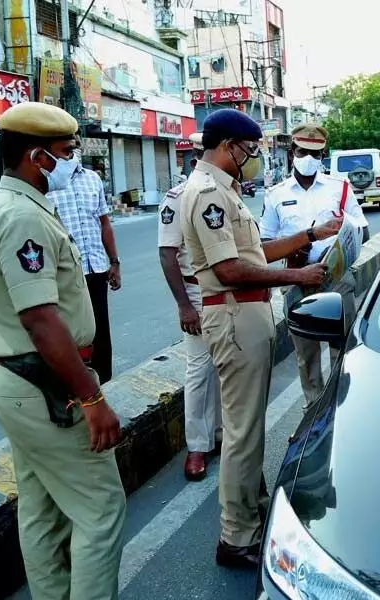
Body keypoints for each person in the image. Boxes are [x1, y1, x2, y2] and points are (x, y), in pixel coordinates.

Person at [0, 102, 125, 599]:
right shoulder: (21, 217)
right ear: (36, 156)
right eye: (64, 153)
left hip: (20, 382)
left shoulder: (9, 206)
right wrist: (91, 398)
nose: (71, 164)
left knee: (42, 512)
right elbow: (40, 320)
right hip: (44, 384)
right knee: (102, 510)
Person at [179, 108, 327, 569]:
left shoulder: (226, 191)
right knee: (242, 433)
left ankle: (251, 513)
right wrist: (297, 273)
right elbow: (228, 269)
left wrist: (309, 236)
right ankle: (235, 535)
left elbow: (253, 251)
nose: (254, 160)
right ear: (228, 147)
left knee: (249, 428)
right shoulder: (207, 193)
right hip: (234, 312)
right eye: (251, 151)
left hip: (248, 311)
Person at [260, 124, 369, 411]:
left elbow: (362, 230)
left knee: (341, 348)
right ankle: (313, 409)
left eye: (315, 153)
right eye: (302, 151)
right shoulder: (275, 194)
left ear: (323, 154)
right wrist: (296, 247)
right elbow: (264, 244)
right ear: (291, 152)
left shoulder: (340, 189)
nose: (308, 157)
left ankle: (339, 406)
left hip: (336, 277)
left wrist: (346, 239)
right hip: (297, 278)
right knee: (305, 354)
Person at [158, 131, 222, 482]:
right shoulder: (178, 197)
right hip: (197, 292)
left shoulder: (227, 192)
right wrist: (184, 306)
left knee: (227, 366)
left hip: (228, 289)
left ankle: (222, 434)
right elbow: (167, 254)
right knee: (199, 370)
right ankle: (198, 446)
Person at [48, 139, 121, 383]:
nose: (71, 152)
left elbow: (104, 223)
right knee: (71, 332)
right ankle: (77, 386)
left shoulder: (92, 178)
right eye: (65, 146)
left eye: (73, 146)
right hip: (66, 272)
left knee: (100, 329)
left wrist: (114, 262)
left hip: (96, 267)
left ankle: (105, 383)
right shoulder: (47, 182)